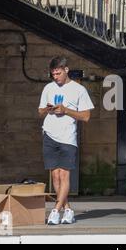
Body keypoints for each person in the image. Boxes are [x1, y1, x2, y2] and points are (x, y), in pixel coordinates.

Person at [38, 56, 94, 225]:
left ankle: (55, 211)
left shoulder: (79, 90)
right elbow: (40, 112)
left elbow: (86, 117)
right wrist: (48, 110)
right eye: (53, 74)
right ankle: (68, 209)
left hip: (67, 137)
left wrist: (66, 110)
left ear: (66, 70)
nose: (56, 77)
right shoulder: (48, 88)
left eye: (58, 73)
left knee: (64, 174)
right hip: (49, 134)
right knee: (55, 176)